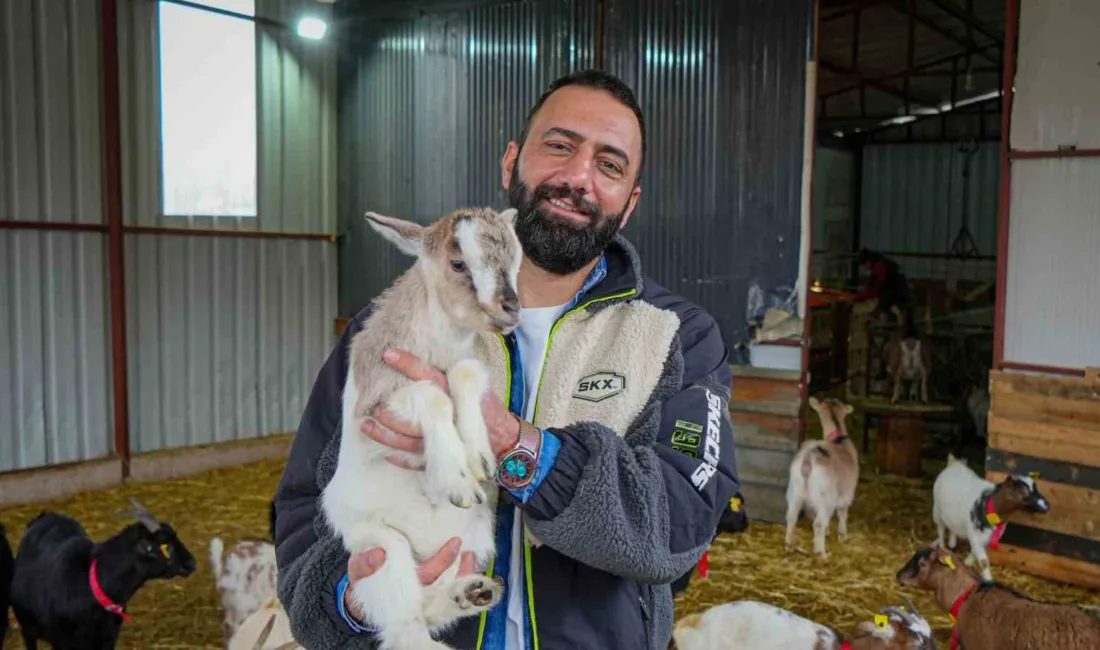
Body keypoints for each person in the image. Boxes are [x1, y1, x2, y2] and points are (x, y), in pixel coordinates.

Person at [272, 69, 742, 650]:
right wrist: (352, 601)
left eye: (610, 165)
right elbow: (302, 511)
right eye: (560, 146)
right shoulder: (393, 328)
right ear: (511, 161)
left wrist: (511, 443)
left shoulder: (676, 337)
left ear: (630, 203)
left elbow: (681, 524)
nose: (578, 178)